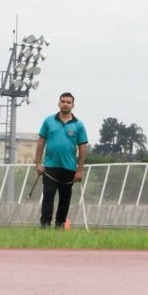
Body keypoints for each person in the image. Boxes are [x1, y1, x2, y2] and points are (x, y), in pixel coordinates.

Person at [34, 92, 89, 228]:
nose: (65, 104)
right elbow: (41, 142)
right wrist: (38, 163)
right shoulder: (48, 121)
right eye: (63, 101)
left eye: (68, 102)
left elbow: (82, 148)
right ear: (59, 103)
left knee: (65, 199)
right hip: (50, 167)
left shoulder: (79, 125)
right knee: (48, 197)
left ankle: (60, 225)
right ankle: (45, 225)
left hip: (69, 168)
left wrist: (79, 171)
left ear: (73, 105)